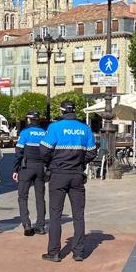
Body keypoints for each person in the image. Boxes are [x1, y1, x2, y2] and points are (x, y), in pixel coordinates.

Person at [40, 100, 96, 262]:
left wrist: (51, 163)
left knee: (55, 214)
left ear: (62, 111)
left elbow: (44, 150)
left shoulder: (54, 127)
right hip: (77, 174)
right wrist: (80, 163)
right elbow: (92, 152)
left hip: (58, 174)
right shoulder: (85, 129)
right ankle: (78, 252)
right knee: (79, 214)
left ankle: (54, 252)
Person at [13, 111, 47, 236]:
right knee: (40, 197)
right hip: (40, 167)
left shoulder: (25, 133)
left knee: (23, 196)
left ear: (29, 120)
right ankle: (41, 226)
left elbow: (18, 152)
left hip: (26, 167)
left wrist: (15, 169)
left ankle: (27, 225)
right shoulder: (45, 133)